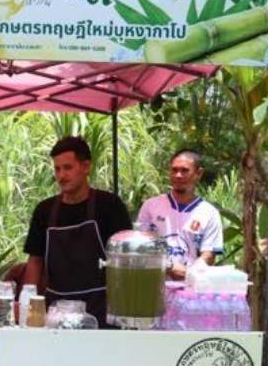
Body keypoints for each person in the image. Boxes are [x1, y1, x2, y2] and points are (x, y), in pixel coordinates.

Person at [23, 136, 132, 326]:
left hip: (101, 312)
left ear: (86, 166)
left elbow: (126, 260)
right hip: (55, 311)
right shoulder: (44, 210)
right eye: (57, 169)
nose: (61, 175)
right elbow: (35, 261)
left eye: (68, 168)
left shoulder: (109, 205)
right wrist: (27, 304)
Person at [135, 149, 224, 279]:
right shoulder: (150, 206)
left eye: (184, 170)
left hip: (191, 287)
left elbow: (209, 255)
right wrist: (169, 266)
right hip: (154, 285)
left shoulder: (209, 213)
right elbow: (140, 246)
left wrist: (189, 274)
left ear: (199, 173)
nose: (178, 175)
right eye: (174, 170)